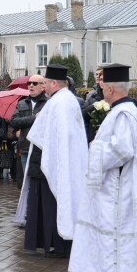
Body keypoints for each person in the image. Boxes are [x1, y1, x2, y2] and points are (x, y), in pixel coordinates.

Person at [68, 64, 137, 272]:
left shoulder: (123, 113)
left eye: (102, 86)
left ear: (110, 88)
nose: (100, 90)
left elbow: (122, 150)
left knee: (117, 232)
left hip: (120, 189)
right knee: (114, 232)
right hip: (119, 185)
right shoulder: (124, 111)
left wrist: (96, 148)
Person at [14, 64, 88, 258]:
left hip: (53, 163)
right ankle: (50, 243)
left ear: (54, 82)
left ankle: (56, 244)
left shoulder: (60, 102)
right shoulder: (65, 99)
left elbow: (54, 137)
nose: (43, 87)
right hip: (49, 161)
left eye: (45, 83)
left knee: (51, 205)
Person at [10, 74, 48, 191]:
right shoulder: (22, 103)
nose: (31, 85)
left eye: (34, 83)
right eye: (29, 83)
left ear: (43, 87)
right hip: (26, 147)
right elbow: (14, 121)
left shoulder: (49, 103)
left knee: (43, 181)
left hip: (43, 148)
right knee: (27, 181)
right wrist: (34, 118)